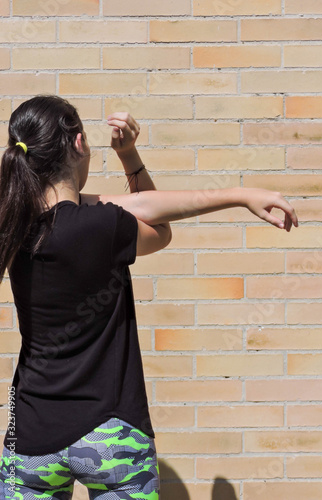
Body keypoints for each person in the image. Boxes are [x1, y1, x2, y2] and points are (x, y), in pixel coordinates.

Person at [0, 95, 298, 500]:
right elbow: (157, 225)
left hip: (31, 436)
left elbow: (127, 207)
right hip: (112, 430)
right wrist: (132, 157)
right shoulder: (102, 225)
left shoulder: (13, 224)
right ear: (80, 144)